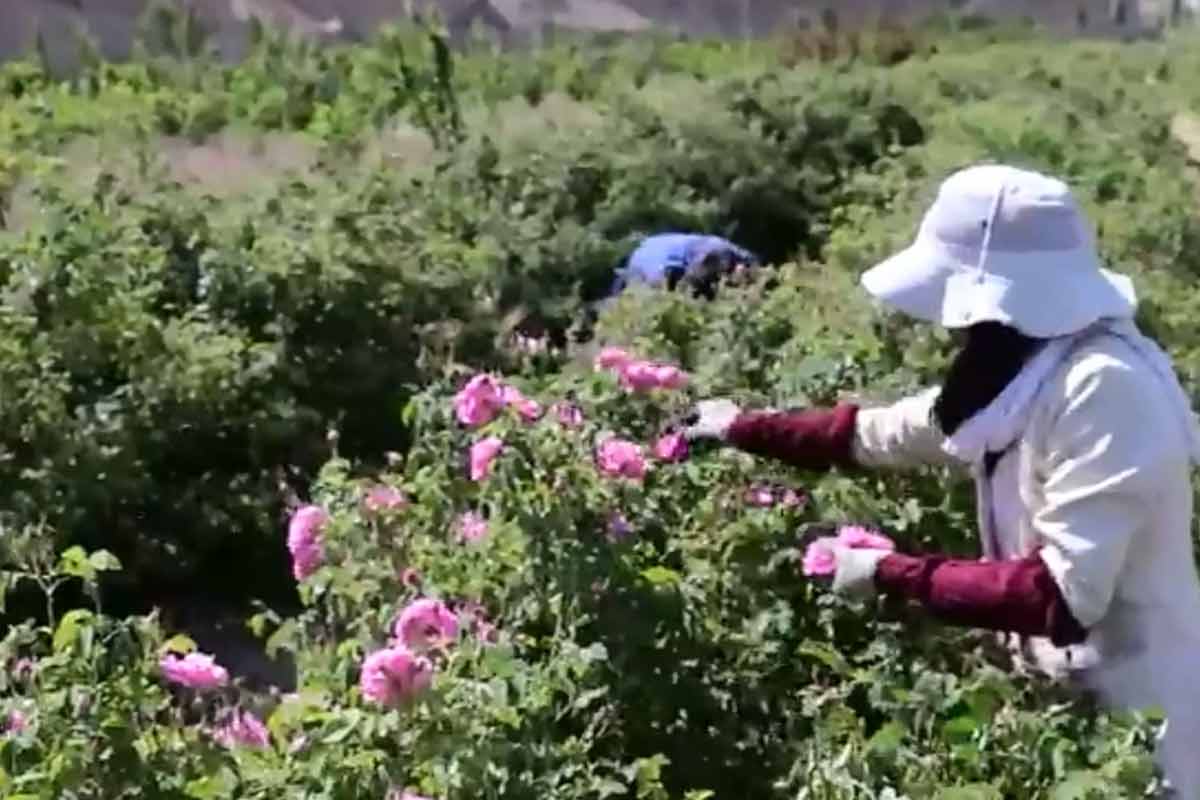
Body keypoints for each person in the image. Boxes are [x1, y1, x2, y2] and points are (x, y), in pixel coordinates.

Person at [681, 164, 1200, 798]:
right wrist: (743, 427)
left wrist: (889, 573)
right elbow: (876, 434)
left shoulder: (1103, 388)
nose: (951, 328)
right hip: (1066, 703)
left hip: (1141, 720)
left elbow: (1061, 595)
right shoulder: (1017, 365)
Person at [608, 233, 759, 301]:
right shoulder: (658, 265)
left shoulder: (720, 248)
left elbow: (750, 261)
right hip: (662, 267)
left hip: (689, 255)